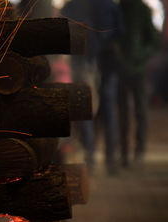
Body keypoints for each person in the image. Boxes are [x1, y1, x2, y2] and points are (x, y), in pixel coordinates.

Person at [61, 0, 124, 174]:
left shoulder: (74, 5)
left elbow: (64, 31)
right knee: (109, 111)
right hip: (107, 64)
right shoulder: (110, 6)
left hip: (83, 62)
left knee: (85, 109)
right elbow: (121, 33)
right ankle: (111, 160)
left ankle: (90, 158)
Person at [118, 0, 159, 167]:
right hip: (123, 68)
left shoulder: (141, 10)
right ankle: (126, 153)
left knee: (138, 110)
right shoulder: (120, 9)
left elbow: (153, 39)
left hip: (137, 69)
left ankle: (137, 151)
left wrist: (141, 54)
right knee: (125, 113)